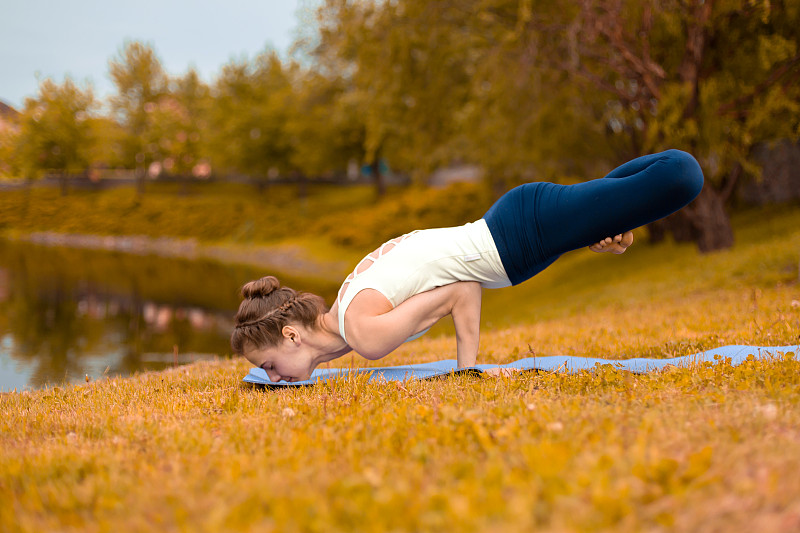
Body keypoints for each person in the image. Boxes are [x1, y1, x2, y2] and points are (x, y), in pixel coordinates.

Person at [231, 150, 704, 383]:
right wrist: (615, 218)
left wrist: (467, 371)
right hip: (518, 230)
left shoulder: (362, 331)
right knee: (627, 199)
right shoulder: (347, 307)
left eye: (268, 365)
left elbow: (461, 288)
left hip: (522, 233)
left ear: (292, 334)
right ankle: (617, 215)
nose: (273, 378)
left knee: (683, 175)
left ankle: (619, 211)